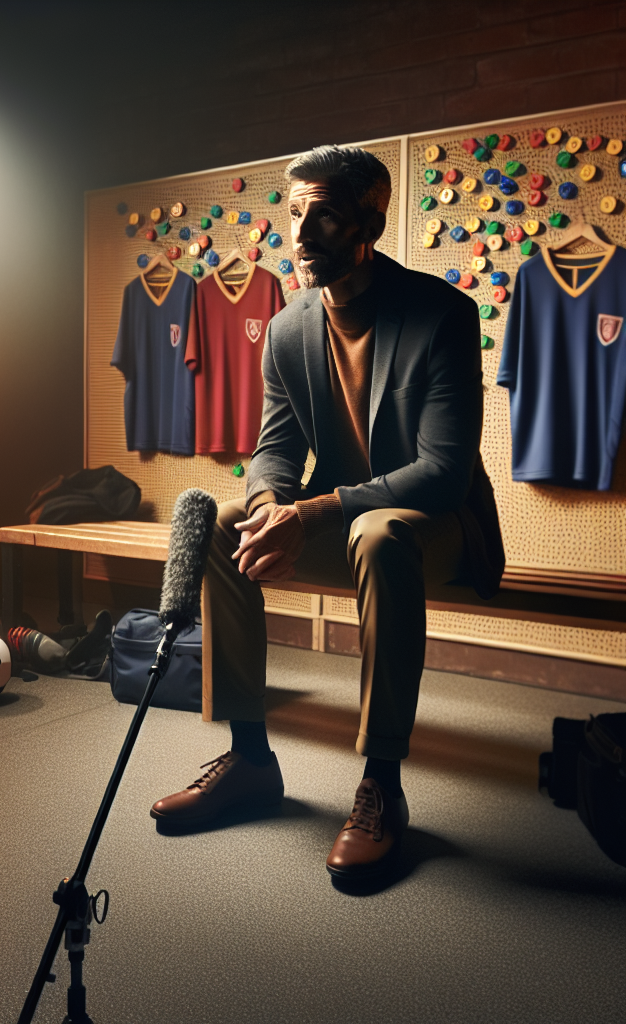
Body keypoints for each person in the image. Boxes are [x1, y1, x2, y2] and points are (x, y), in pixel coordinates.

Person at [150, 145, 505, 879]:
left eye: (325, 216)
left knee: (379, 533)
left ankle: (382, 781)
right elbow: (273, 451)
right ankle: (250, 756)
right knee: (223, 521)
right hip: (337, 520)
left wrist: (310, 515)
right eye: (293, 214)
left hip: (433, 527)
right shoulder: (286, 329)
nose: (301, 235)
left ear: (369, 222)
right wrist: (272, 509)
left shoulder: (442, 313)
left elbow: (441, 473)